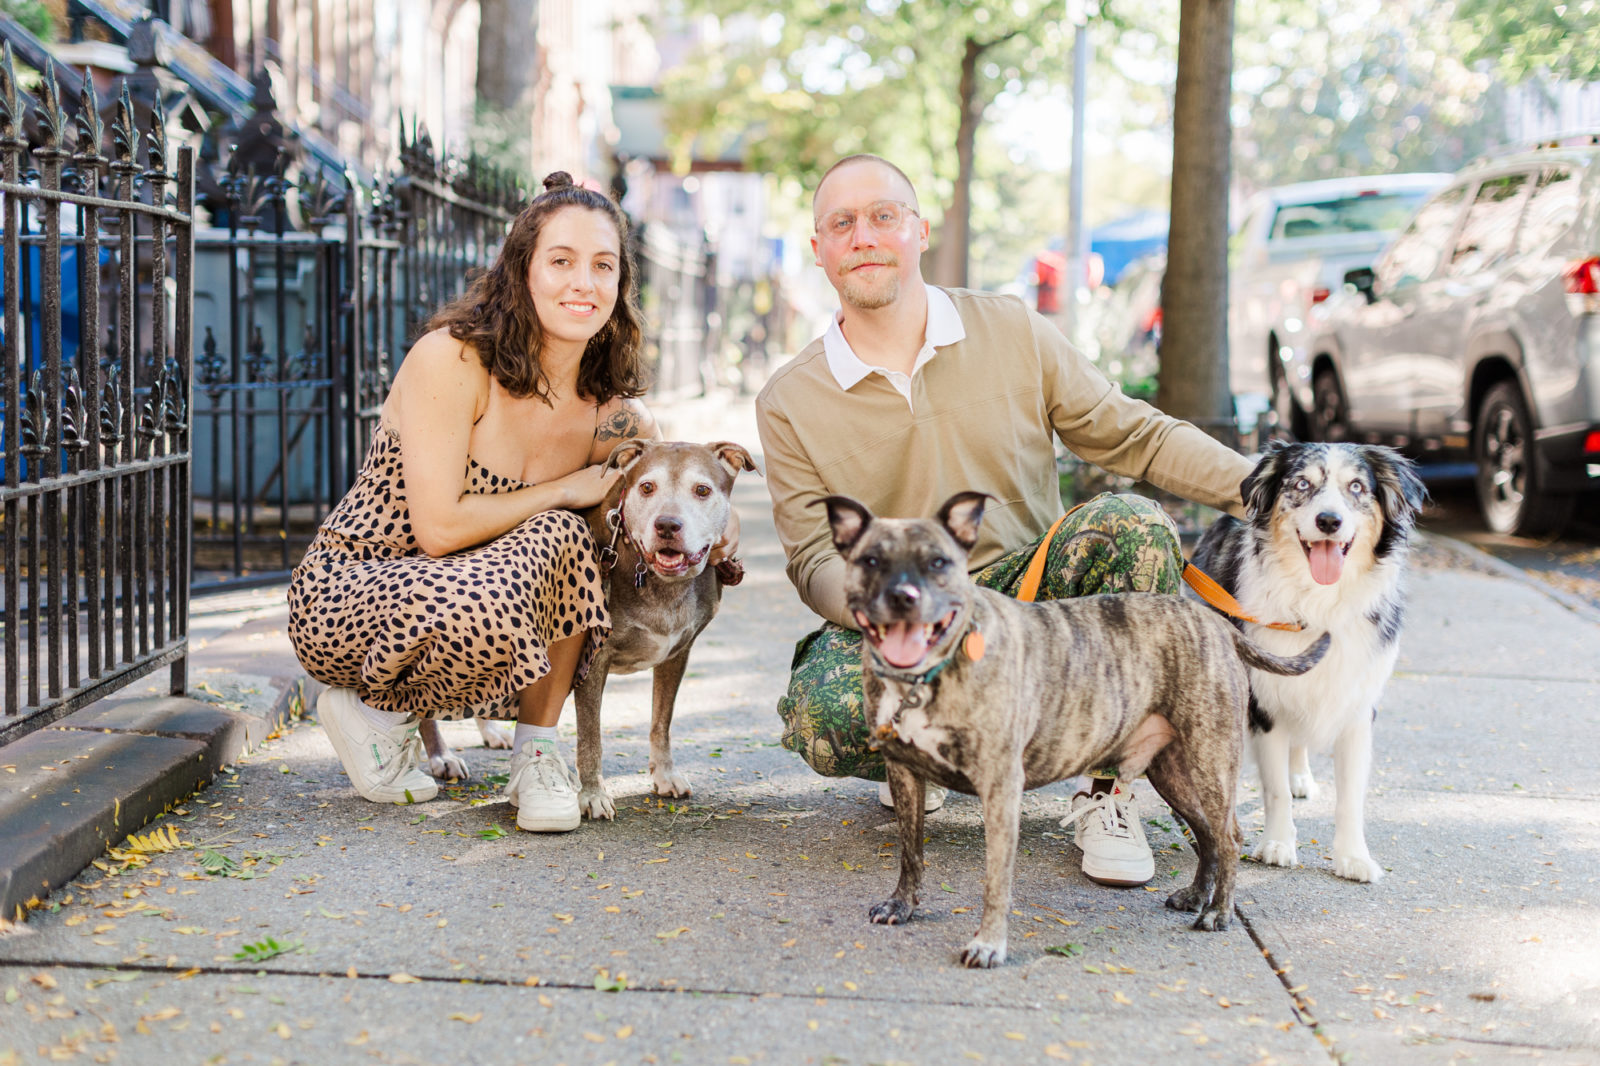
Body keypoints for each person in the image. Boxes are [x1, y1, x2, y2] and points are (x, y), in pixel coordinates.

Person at [754, 155, 1254, 887]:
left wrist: (1258, 489)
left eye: (884, 216)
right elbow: (811, 560)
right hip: (899, 608)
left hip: (1032, 607)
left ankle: (1107, 791)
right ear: (820, 250)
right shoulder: (788, 400)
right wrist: (887, 620)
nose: (864, 236)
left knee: (1133, 527)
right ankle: (928, 755)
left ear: (919, 230)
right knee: (822, 715)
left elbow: (1133, 435)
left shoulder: (1011, 329)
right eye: (842, 223)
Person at [288, 172, 736, 832]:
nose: (583, 283)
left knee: (572, 542)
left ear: (621, 284)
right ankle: (376, 713)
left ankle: (537, 753)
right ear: (521, 269)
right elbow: (438, 530)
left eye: (602, 266)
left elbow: (664, 497)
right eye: (561, 261)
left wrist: (718, 529)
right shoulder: (453, 360)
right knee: (556, 527)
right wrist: (564, 488)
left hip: (475, 606)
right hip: (356, 596)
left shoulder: (616, 419)